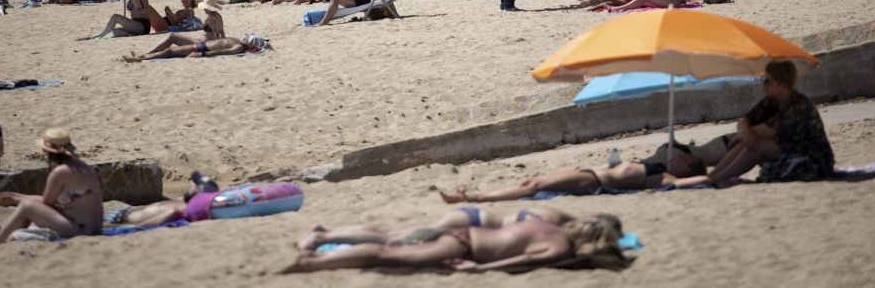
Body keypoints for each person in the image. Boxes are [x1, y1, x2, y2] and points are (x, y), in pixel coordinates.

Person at [281, 216, 628, 274]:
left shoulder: (547, 224)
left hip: (465, 232)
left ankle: (325, 239)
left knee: (393, 238)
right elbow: (517, 262)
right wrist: (479, 268)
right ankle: (314, 264)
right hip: (465, 250)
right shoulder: (560, 249)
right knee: (392, 255)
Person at [705, 60, 834, 187]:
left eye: (768, 81)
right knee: (749, 139)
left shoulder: (799, 105)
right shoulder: (772, 101)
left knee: (758, 143)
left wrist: (743, 134)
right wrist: (744, 133)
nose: (763, 85)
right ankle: (712, 176)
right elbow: (744, 122)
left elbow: (763, 130)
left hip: (813, 162)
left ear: (782, 85)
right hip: (790, 153)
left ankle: (717, 177)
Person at [437, 150, 707, 203]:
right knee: (531, 183)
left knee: (531, 185)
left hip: (593, 182)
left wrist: (721, 175)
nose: (680, 157)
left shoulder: (666, 180)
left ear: (686, 170)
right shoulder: (660, 167)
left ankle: (473, 197)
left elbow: (700, 181)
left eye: (685, 160)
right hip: (587, 173)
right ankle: (474, 197)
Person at [295, 205, 578, 252]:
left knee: (392, 231)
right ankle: (325, 236)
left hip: (471, 217)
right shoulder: (552, 227)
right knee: (395, 238)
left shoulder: (555, 215)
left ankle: (328, 230)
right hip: (470, 223)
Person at [0, 128, 102, 243]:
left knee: (27, 206)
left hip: (80, 230)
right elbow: (55, 203)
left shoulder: (60, 172)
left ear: (47, 152)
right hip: (94, 228)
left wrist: (14, 198)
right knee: (29, 207)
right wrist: (13, 197)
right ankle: (7, 232)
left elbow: (47, 202)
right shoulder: (82, 166)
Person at [123, 33, 262, 62]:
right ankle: (143, 55)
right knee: (170, 48)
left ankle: (141, 58)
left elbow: (220, 51)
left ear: (248, 42)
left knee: (169, 51)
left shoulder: (238, 47)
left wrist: (201, 55)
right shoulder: (237, 40)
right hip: (202, 45)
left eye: (247, 37)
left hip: (202, 49)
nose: (244, 35)